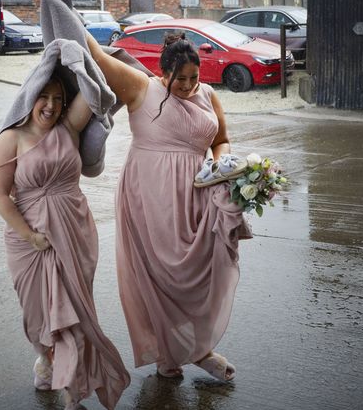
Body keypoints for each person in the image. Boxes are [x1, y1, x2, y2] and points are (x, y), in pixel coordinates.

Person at [86, 31, 252, 380]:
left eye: (194, 76)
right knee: (161, 278)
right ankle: (172, 354)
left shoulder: (208, 94)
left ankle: (196, 348)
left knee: (201, 275)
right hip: (150, 197)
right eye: (181, 79)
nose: (189, 85)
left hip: (198, 194)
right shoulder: (143, 88)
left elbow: (220, 139)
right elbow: (98, 58)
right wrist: (63, 9)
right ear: (164, 74)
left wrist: (219, 165)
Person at [0, 75, 130, 410]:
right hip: (31, 242)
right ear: (28, 99)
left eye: (57, 98)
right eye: (42, 97)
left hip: (74, 234)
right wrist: (30, 236)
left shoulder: (68, 128)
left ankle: (72, 399)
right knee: (38, 319)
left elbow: (92, 83)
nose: (50, 105)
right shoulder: (12, 137)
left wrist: (65, 50)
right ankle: (46, 360)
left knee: (72, 319)